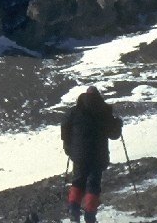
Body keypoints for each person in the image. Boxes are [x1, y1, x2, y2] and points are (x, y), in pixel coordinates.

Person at [60, 85, 122, 223]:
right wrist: (118, 123)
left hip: (79, 154)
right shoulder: (104, 111)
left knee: (77, 182)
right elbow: (114, 134)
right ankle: (90, 216)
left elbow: (65, 127)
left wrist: (68, 146)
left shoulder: (75, 111)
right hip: (98, 156)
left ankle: (73, 212)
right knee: (93, 185)